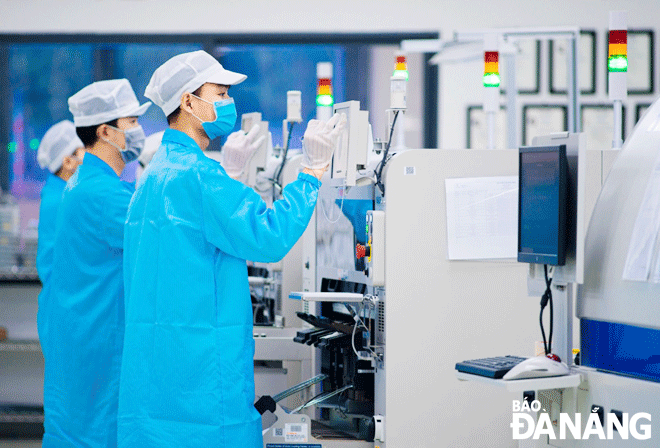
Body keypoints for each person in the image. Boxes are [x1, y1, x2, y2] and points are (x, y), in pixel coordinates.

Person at [117, 50, 345, 448]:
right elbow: (269, 235)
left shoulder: (153, 177)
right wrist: (310, 172)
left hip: (157, 381)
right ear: (188, 102)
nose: (228, 104)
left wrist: (232, 174)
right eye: (219, 93)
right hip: (202, 384)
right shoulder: (199, 175)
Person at [39, 79, 150, 448]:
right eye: (132, 122)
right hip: (99, 337)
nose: (138, 131)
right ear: (105, 131)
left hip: (85, 330)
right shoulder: (100, 192)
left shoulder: (92, 183)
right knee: (95, 432)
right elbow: (161, 241)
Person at [35, 120, 84, 294]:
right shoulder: (62, 200)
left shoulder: (58, 193)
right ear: (68, 161)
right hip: (62, 297)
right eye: (83, 150)